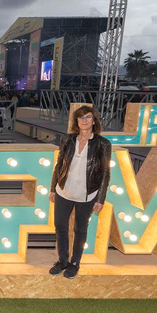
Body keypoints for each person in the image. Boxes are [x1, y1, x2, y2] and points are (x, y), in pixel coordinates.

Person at [49, 106, 111, 279]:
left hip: (88, 194)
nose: (84, 121)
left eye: (88, 117)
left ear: (94, 120)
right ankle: (62, 260)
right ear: (76, 121)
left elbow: (106, 172)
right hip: (64, 191)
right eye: (81, 118)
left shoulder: (103, 144)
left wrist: (100, 198)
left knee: (80, 229)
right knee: (60, 226)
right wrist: (53, 188)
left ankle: (75, 262)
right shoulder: (68, 140)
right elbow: (59, 164)